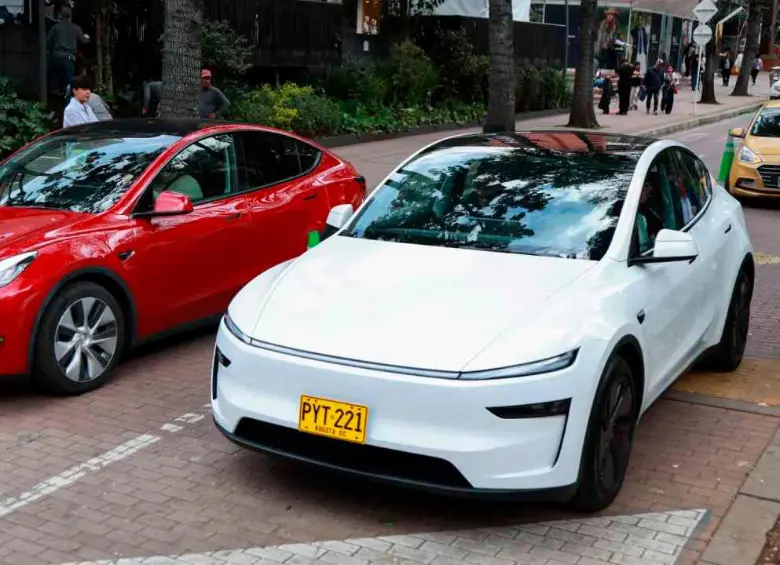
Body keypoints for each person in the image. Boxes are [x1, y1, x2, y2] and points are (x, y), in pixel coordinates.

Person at [46, 6, 90, 97]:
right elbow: (84, 41)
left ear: (61, 16)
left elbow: (47, 42)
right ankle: (66, 101)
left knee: (52, 84)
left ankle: (53, 94)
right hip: (68, 59)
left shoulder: (55, 27)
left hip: (55, 58)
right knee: (68, 88)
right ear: (70, 16)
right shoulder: (76, 28)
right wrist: (87, 37)